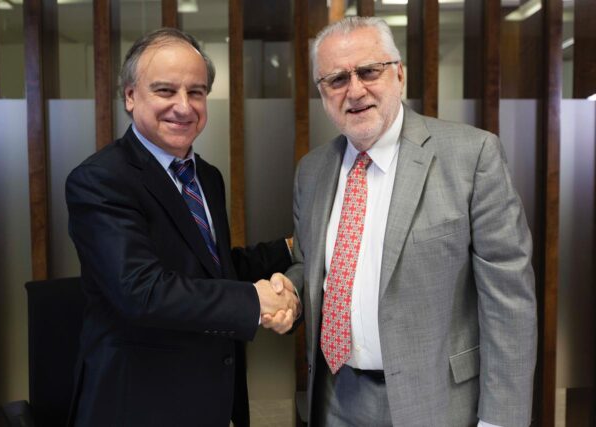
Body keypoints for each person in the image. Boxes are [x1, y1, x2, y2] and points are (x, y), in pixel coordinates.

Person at [270, 16, 537, 427]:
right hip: (335, 398)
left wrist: (499, 421)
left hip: (437, 402)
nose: (354, 90)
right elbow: (313, 267)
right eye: (337, 79)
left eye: (369, 71)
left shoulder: (471, 157)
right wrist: (289, 291)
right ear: (322, 93)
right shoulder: (312, 171)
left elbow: (509, 301)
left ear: (399, 74)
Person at [66, 27, 299, 427]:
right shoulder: (100, 179)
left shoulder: (206, 176)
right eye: (165, 90)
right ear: (130, 96)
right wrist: (255, 301)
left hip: (208, 395)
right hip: (137, 404)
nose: (184, 106)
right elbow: (141, 291)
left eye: (196, 92)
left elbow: (213, 271)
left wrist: (289, 250)